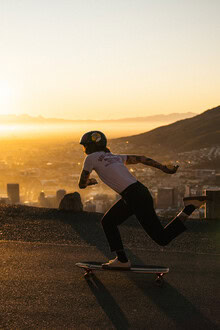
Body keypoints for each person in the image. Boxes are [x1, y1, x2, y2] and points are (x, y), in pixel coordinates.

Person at [78, 130, 209, 269]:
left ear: (91, 146)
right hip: (139, 192)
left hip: (133, 196)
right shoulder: (115, 157)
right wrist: (163, 168)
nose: (84, 149)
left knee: (162, 238)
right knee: (109, 221)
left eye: (85, 146)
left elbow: (81, 184)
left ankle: (190, 207)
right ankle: (121, 260)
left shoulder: (91, 158)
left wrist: (89, 182)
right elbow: (142, 158)